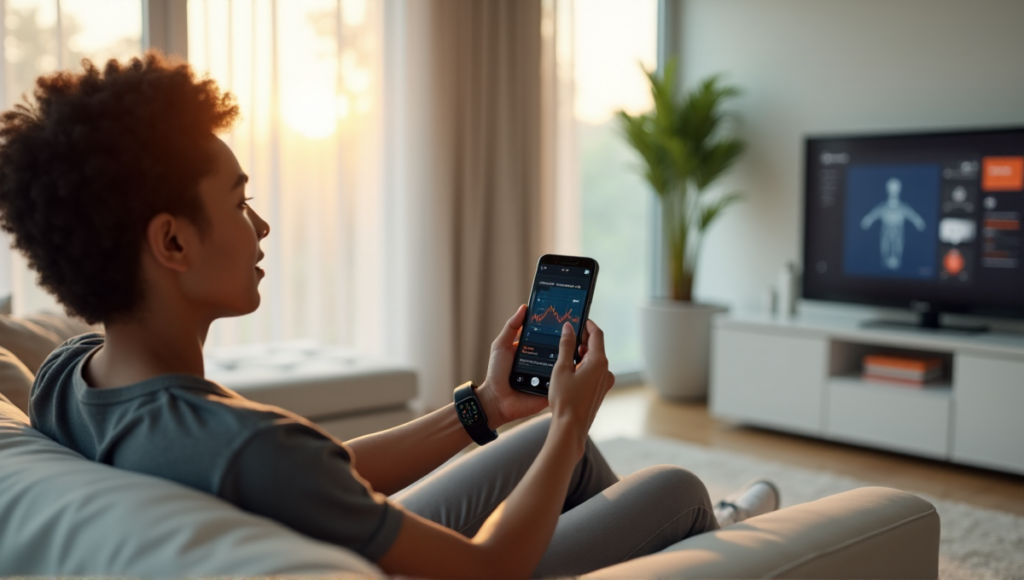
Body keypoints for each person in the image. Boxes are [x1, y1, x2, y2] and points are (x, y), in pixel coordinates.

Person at [0, 53, 778, 578]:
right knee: (671, 484)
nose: (261, 227)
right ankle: (710, 532)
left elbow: (315, 474)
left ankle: (683, 537)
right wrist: (576, 418)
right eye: (239, 204)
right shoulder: (242, 445)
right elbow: (488, 569)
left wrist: (487, 406)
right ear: (171, 240)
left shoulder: (66, 378)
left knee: (541, 438)